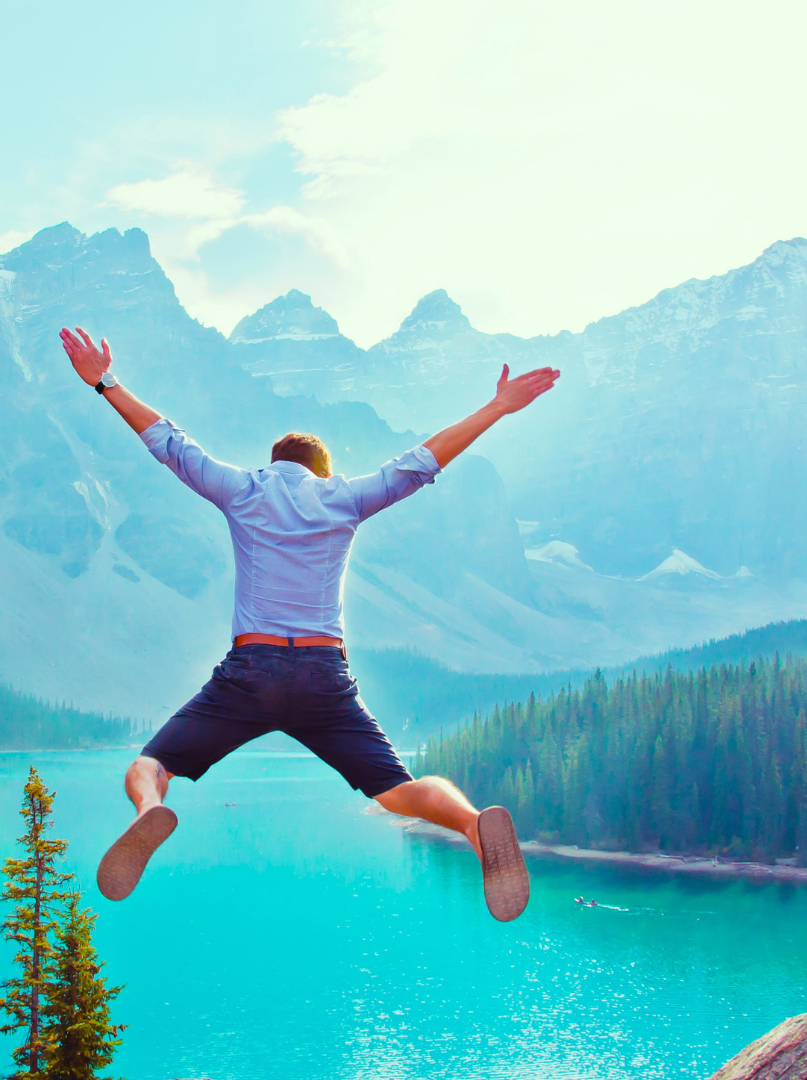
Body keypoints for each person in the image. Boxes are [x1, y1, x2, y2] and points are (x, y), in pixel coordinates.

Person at [60, 327, 559, 921]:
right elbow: (423, 461)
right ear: (323, 471)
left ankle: (149, 811)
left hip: (252, 670)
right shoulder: (343, 498)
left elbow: (168, 443)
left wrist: (105, 382)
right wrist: (497, 408)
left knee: (150, 765)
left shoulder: (242, 489)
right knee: (397, 789)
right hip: (324, 675)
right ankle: (474, 825)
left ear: (274, 463)